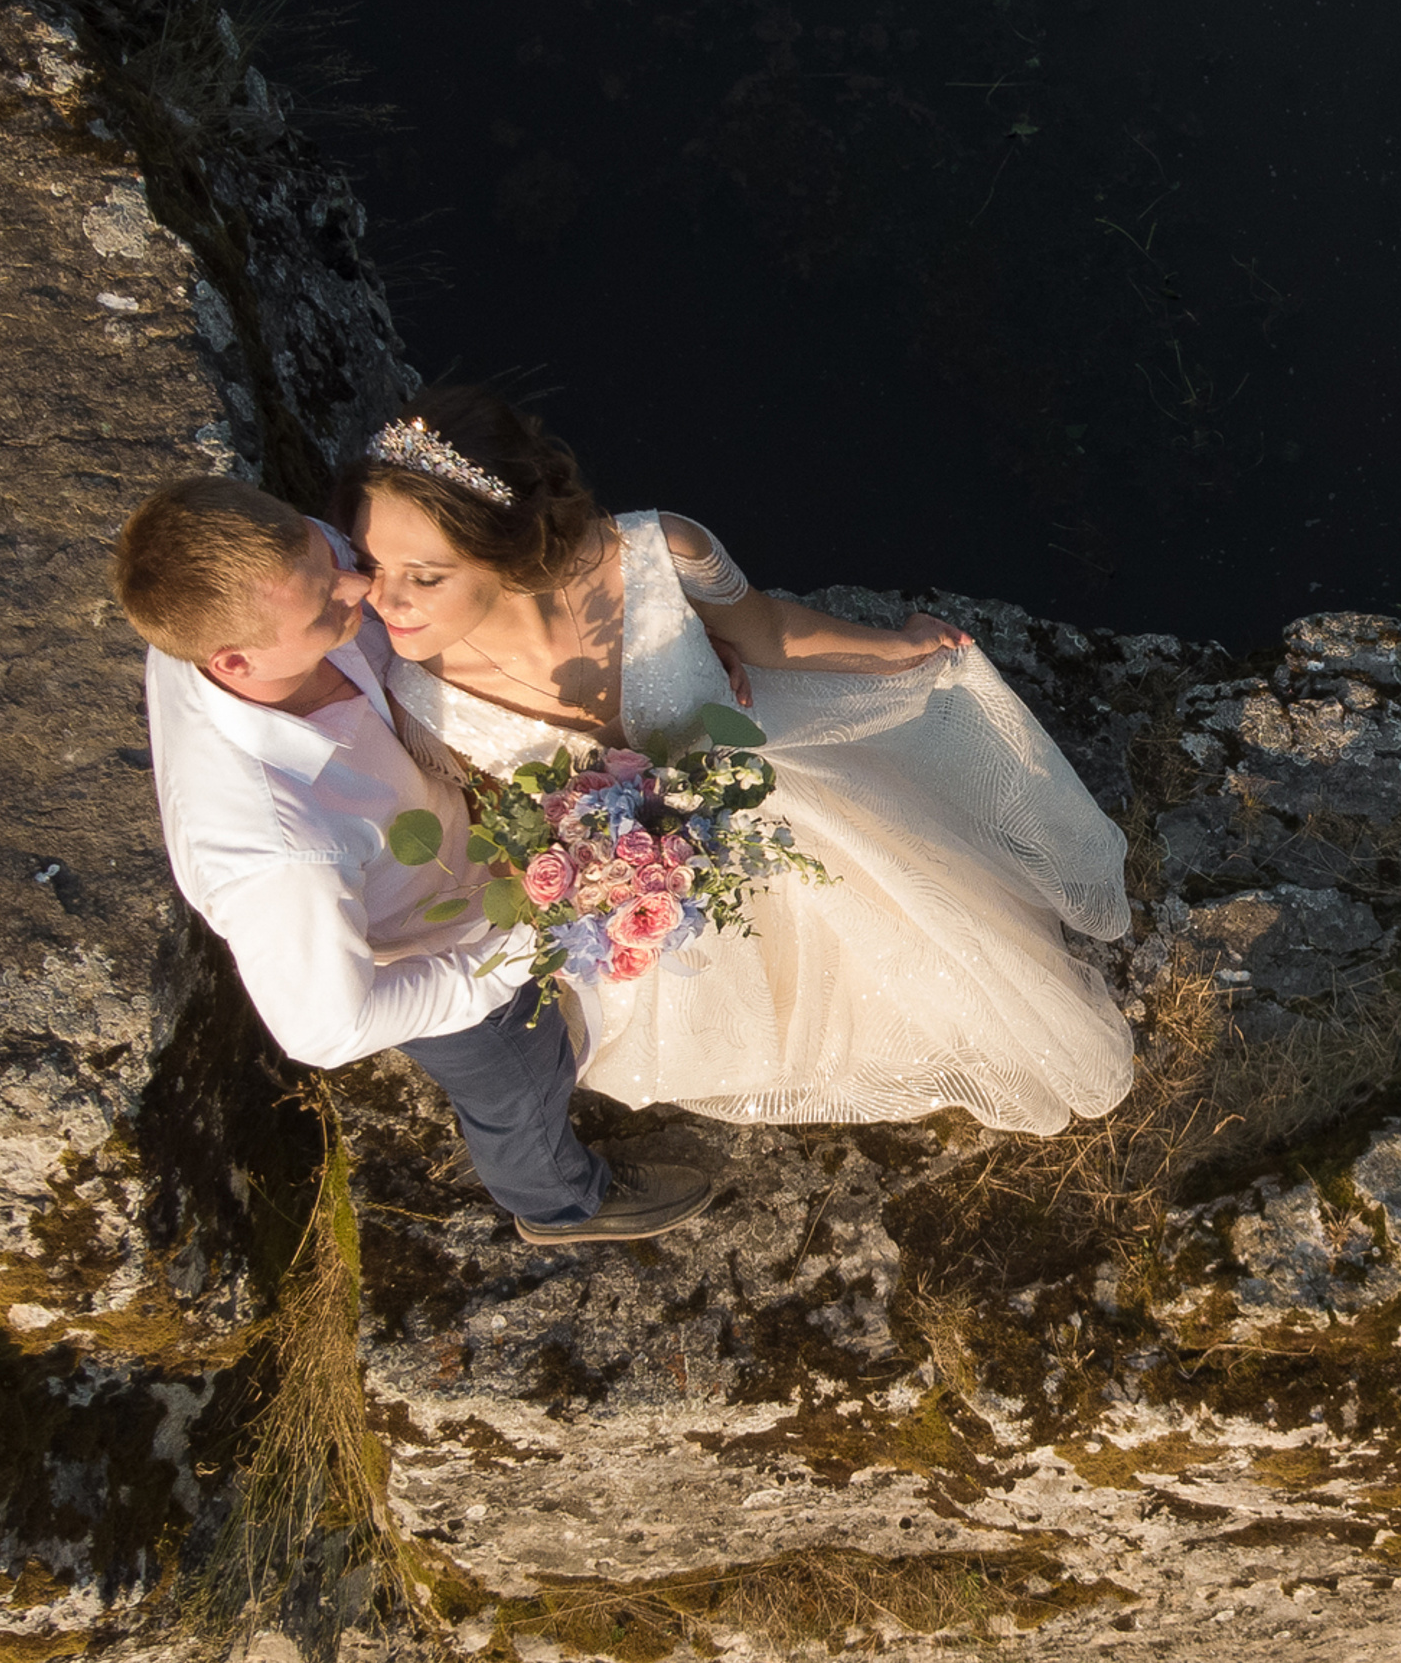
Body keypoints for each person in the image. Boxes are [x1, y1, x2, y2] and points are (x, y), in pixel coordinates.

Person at [334, 386, 1136, 1130]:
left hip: (783, 814)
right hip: (649, 911)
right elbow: (495, 829)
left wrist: (904, 648)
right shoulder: (417, 695)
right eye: (371, 567)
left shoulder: (661, 553)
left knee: (936, 970)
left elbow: (771, 632)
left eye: (424, 576)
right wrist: (588, 878)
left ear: (505, 549)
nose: (384, 599)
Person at [110, 474, 716, 1247]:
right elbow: (328, 1030)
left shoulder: (263, 584)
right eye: (325, 604)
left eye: (329, 556)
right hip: (434, 943)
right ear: (233, 662)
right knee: (517, 1082)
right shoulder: (278, 849)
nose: (359, 586)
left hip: (462, 838)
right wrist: (517, 953)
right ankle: (560, 1204)